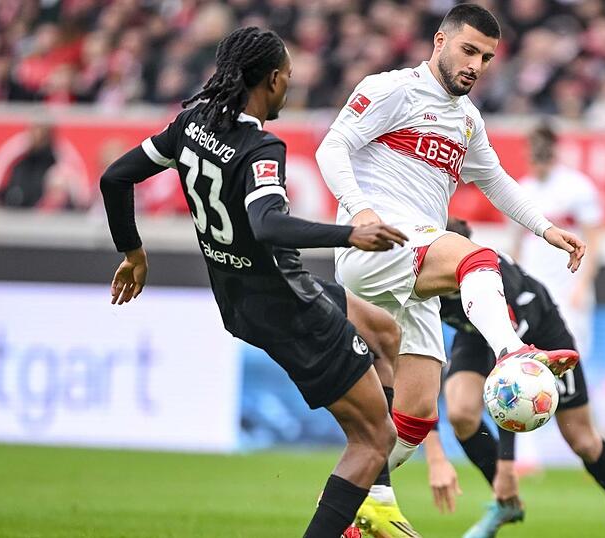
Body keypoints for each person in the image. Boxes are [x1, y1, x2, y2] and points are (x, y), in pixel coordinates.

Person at [99, 27, 411, 538]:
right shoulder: (261, 146)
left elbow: (115, 177)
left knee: (383, 333)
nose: (290, 85)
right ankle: (361, 507)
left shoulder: (190, 123)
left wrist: (133, 253)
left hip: (240, 299)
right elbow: (267, 224)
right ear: (270, 80)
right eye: (287, 77)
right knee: (375, 438)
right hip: (289, 307)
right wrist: (350, 233)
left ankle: (374, 502)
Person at [315, 5, 585, 535]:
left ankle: (345, 511)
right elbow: (332, 147)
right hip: (378, 244)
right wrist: (358, 210)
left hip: (414, 262)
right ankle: (514, 354)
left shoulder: (466, 119)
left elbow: (497, 180)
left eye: (486, 57)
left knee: (413, 419)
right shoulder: (392, 89)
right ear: (439, 41)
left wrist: (546, 229)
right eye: (468, 50)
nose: (477, 65)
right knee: (478, 259)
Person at [423, 217, 605, 538]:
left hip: (540, 333)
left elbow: (513, 383)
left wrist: (507, 465)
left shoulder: (496, 282)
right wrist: (434, 452)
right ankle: (506, 502)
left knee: (584, 441)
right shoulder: (424, 280)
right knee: (460, 412)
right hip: (475, 333)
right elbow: (420, 367)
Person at [514, 122, 603, 363]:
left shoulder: (578, 187)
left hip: (568, 286)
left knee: (572, 355)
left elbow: (594, 240)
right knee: (532, 358)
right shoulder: (522, 189)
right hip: (534, 286)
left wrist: (582, 285)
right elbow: (517, 244)